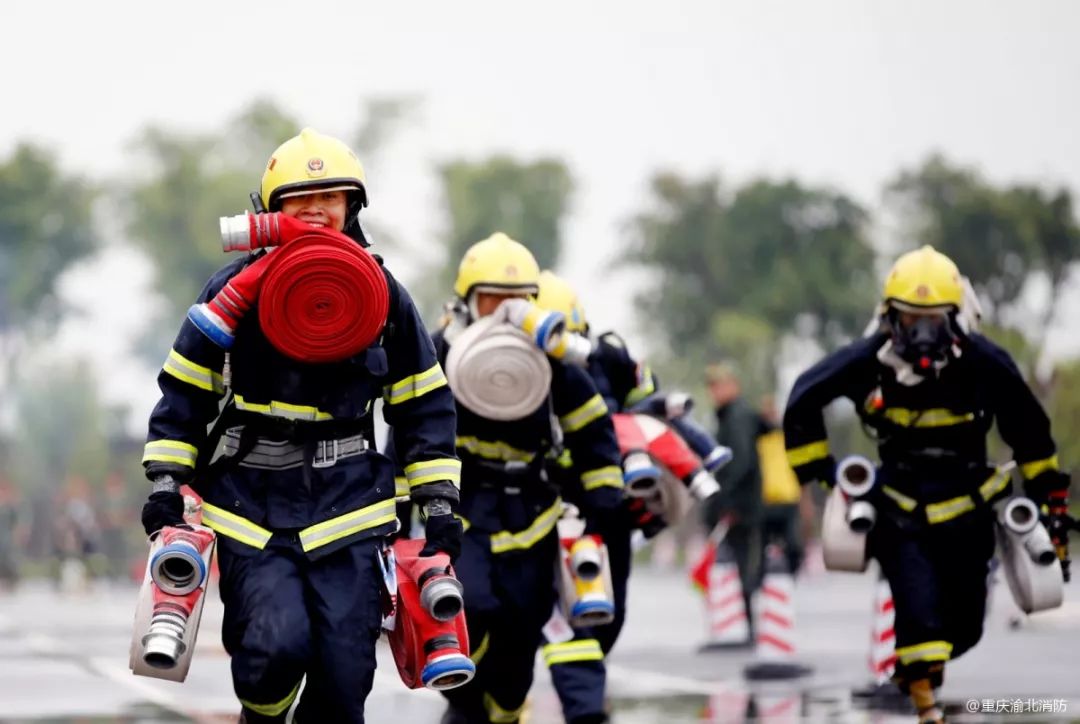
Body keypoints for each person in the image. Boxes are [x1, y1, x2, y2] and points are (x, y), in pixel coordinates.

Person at [139, 128, 461, 723]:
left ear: (352, 209)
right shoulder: (231, 293)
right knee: (272, 649)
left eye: (332, 196)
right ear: (269, 212)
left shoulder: (384, 296)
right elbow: (185, 393)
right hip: (249, 506)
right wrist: (166, 479)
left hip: (351, 508)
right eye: (298, 199)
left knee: (345, 680)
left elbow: (422, 404)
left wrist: (439, 501)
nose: (316, 208)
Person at [783, 245, 1070, 724]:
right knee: (918, 612)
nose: (920, 334)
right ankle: (926, 709)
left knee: (965, 628)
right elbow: (803, 399)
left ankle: (916, 674)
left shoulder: (984, 362)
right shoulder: (868, 360)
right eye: (909, 319)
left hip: (968, 507)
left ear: (955, 318)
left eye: (932, 321)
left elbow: (1031, 434)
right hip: (901, 507)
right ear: (888, 317)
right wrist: (826, 472)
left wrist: (1051, 508)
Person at [432, 235, 624, 724]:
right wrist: (398, 505)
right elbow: (414, 427)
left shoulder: (553, 365)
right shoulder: (439, 354)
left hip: (533, 512)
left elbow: (592, 429)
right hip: (464, 508)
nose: (504, 313)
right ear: (468, 302)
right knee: (468, 605)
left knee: (523, 626)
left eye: (517, 302)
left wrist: (605, 497)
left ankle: (505, 709)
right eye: (492, 300)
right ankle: (465, 701)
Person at [530, 270, 728, 723]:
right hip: (539, 500)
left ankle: (584, 686)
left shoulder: (610, 359)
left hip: (605, 501)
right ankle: (577, 702)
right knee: (551, 613)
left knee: (607, 611)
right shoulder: (511, 365)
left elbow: (648, 406)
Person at [701, 362, 765, 629]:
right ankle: (739, 622)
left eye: (720, 385)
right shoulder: (731, 415)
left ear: (733, 386)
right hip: (738, 503)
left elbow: (740, 462)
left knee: (739, 563)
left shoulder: (737, 416)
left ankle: (744, 623)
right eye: (712, 386)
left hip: (739, 505)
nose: (715, 391)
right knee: (734, 562)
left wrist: (728, 501)